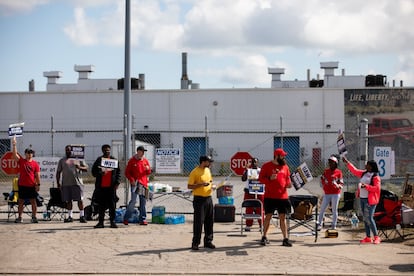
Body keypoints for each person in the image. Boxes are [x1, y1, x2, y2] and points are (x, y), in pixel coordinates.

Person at [342, 157, 381, 244]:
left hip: (370, 200)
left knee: (370, 218)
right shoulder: (364, 173)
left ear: (371, 167)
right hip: (363, 198)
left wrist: (366, 186)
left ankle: (376, 237)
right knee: (365, 218)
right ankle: (368, 237)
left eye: (367, 165)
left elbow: (376, 188)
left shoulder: (375, 176)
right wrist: (347, 162)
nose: (365, 165)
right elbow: (355, 171)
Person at [258, 148, 293, 247]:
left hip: (283, 197)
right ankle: (264, 236)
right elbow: (260, 179)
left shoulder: (285, 167)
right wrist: (269, 178)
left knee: (282, 217)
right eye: (282, 155)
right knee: (268, 217)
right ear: (277, 156)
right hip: (270, 196)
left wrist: (289, 184)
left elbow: (287, 179)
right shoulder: (266, 166)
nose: (284, 157)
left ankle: (285, 239)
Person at [188, 155, 216, 250]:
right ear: (203, 162)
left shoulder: (208, 170)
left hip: (208, 198)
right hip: (199, 200)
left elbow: (210, 180)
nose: (210, 163)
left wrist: (213, 186)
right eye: (208, 162)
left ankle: (208, 241)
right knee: (199, 222)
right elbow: (189, 186)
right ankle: (195, 242)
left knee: (209, 221)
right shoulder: (195, 172)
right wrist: (200, 185)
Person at [11, 136, 41, 223]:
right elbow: (14, 155)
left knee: (33, 202)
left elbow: (37, 175)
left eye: (31, 153)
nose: (29, 154)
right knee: (20, 202)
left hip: (31, 185)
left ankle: (34, 217)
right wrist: (14, 145)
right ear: (25, 154)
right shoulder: (21, 161)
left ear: (33, 154)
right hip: (22, 185)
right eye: (28, 152)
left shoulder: (35, 164)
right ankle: (20, 217)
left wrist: (38, 185)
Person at [56, 145, 89, 223]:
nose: (68, 151)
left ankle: (82, 216)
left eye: (69, 150)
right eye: (66, 150)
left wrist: (79, 167)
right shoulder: (62, 160)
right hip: (66, 183)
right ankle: (70, 216)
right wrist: (58, 182)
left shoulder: (78, 159)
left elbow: (86, 168)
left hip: (77, 183)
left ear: (72, 151)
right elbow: (58, 172)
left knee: (80, 200)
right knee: (68, 201)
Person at [91, 144, 121, 228]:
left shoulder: (114, 160)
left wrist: (117, 182)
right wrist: (100, 173)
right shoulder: (99, 160)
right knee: (101, 205)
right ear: (102, 151)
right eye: (105, 150)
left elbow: (118, 172)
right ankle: (101, 222)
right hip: (101, 187)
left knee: (112, 205)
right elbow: (93, 172)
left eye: (108, 150)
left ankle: (112, 222)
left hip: (111, 187)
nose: (107, 151)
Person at [124, 145, 152, 225]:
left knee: (143, 202)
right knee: (133, 201)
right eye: (141, 152)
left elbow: (148, 172)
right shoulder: (132, 161)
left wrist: (148, 169)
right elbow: (127, 173)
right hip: (135, 184)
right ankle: (126, 218)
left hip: (143, 184)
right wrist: (132, 179)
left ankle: (142, 219)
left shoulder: (145, 161)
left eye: (143, 152)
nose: (142, 153)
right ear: (138, 152)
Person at [317, 155, 344, 231]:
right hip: (327, 193)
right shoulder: (326, 171)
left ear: (335, 163)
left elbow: (341, 183)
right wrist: (324, 182)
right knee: (322, 209)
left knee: (334, 209)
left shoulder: (339, 172)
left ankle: (334, 225)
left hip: (335, 193)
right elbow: (322, 179)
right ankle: (319, 224)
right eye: (329, 162)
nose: (330, 163)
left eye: (332, 162)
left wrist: (337, 185)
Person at [241, 157, 264, 232]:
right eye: (253, 162)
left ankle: (261, 225)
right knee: (249, 208)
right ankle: (248, 225)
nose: (254, 163)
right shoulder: (248, 170)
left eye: (255, 162)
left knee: (260, 208)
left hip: (259, 191)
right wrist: (246, 170)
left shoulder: (260, 171)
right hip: (249, 191)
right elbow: (243, 179)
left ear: (257, 163)